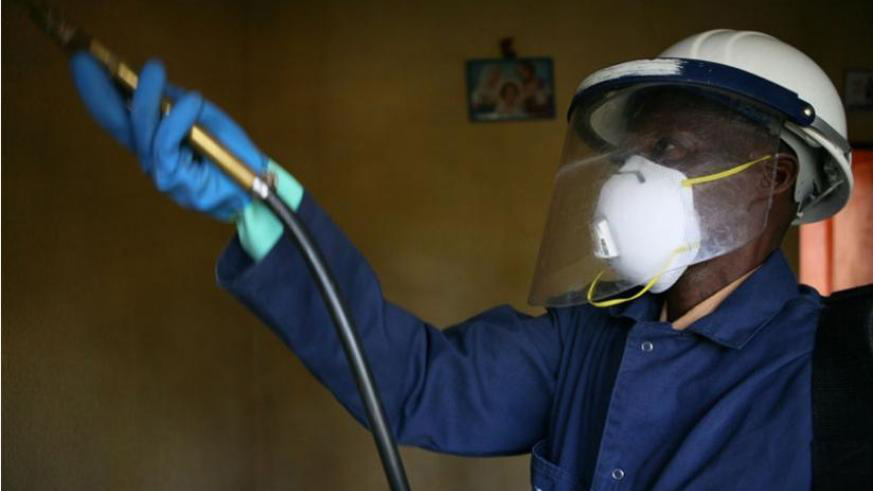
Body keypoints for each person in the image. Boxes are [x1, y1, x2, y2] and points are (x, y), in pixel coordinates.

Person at [70, 29, 853, 490]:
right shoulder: (582, 340)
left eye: (667, 147)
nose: (628, 175)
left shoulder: (841, 369)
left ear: (771, 176)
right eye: (629, 152)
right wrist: (264, 205)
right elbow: (410, 382)